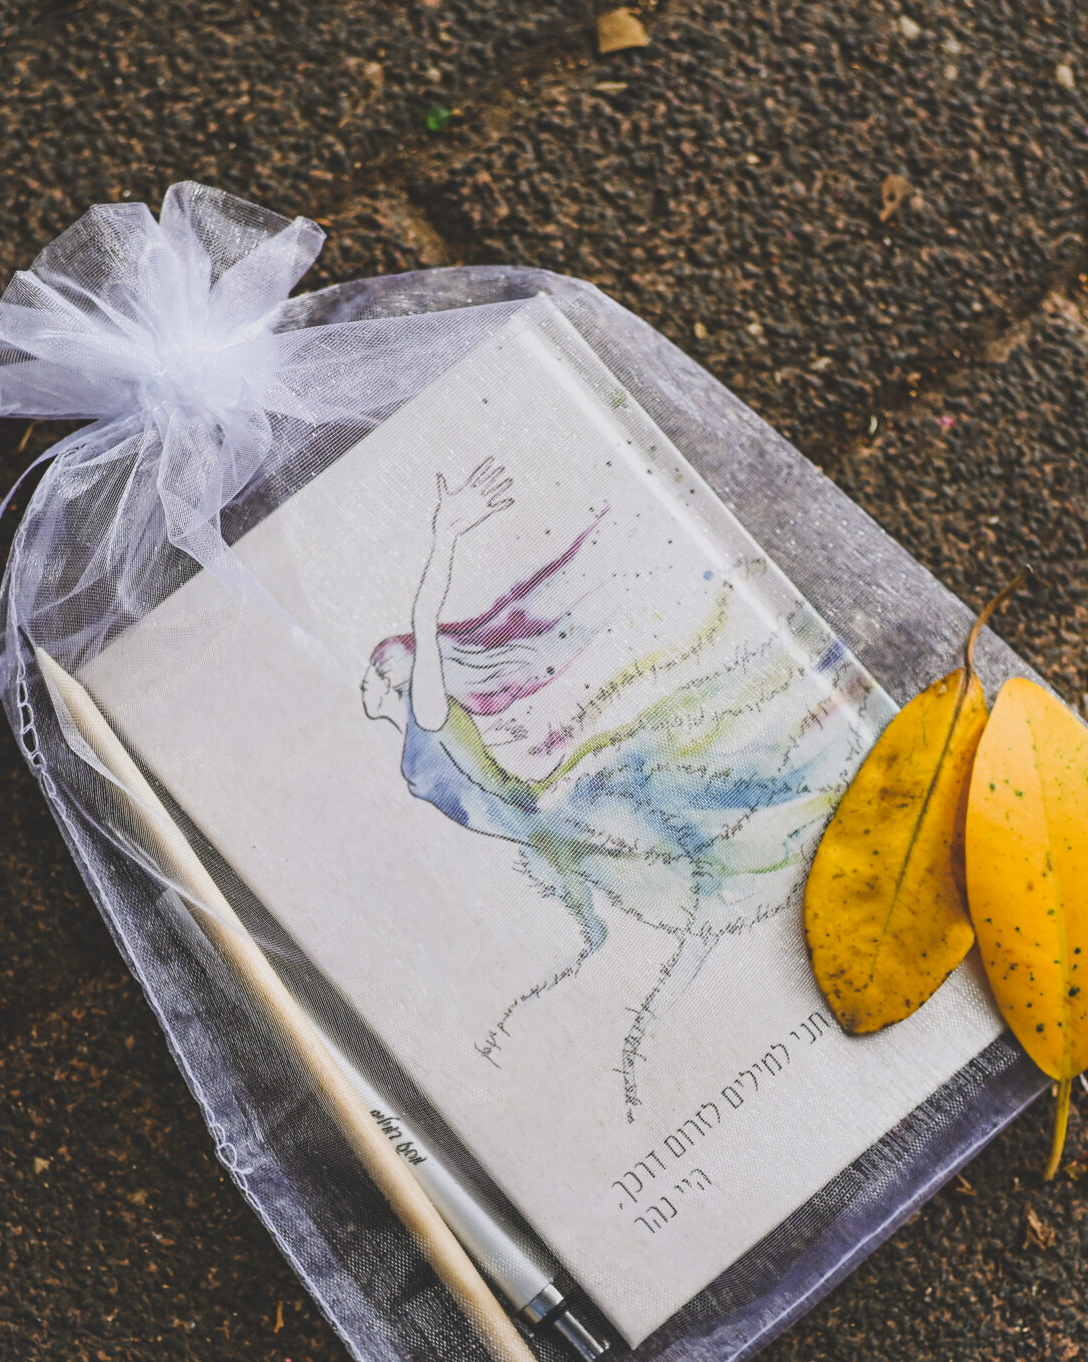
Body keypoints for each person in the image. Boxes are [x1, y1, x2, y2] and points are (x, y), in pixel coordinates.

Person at [360, 458, 873, 1113]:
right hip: (541, 831)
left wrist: (446, 535)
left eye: (378, 670)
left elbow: (424, 617)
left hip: (549, 815)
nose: (368, 681)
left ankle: (624, 1056)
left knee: (686, 876)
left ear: (400, 680)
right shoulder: (423, 730)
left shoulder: (428, 715)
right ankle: (617, 1057)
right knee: (642, 908)